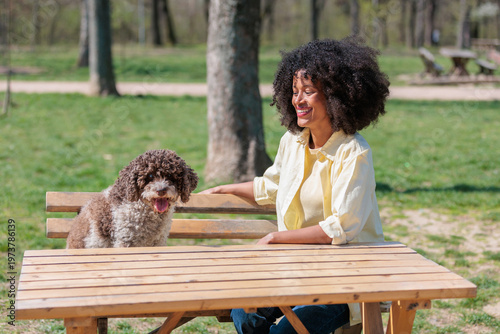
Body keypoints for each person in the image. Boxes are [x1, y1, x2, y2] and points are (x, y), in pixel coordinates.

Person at [201, 37, 390, 334]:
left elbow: (341, 227)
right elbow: (273, 186)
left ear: (337, 96)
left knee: (285, 332)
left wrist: (277, 239)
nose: (298, 101)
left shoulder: (353, 152)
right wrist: (226, 189)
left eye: (309, 92)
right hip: (293, 270)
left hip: (344, 278)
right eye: (294, 91)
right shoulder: (293, 141)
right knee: (244, 312)